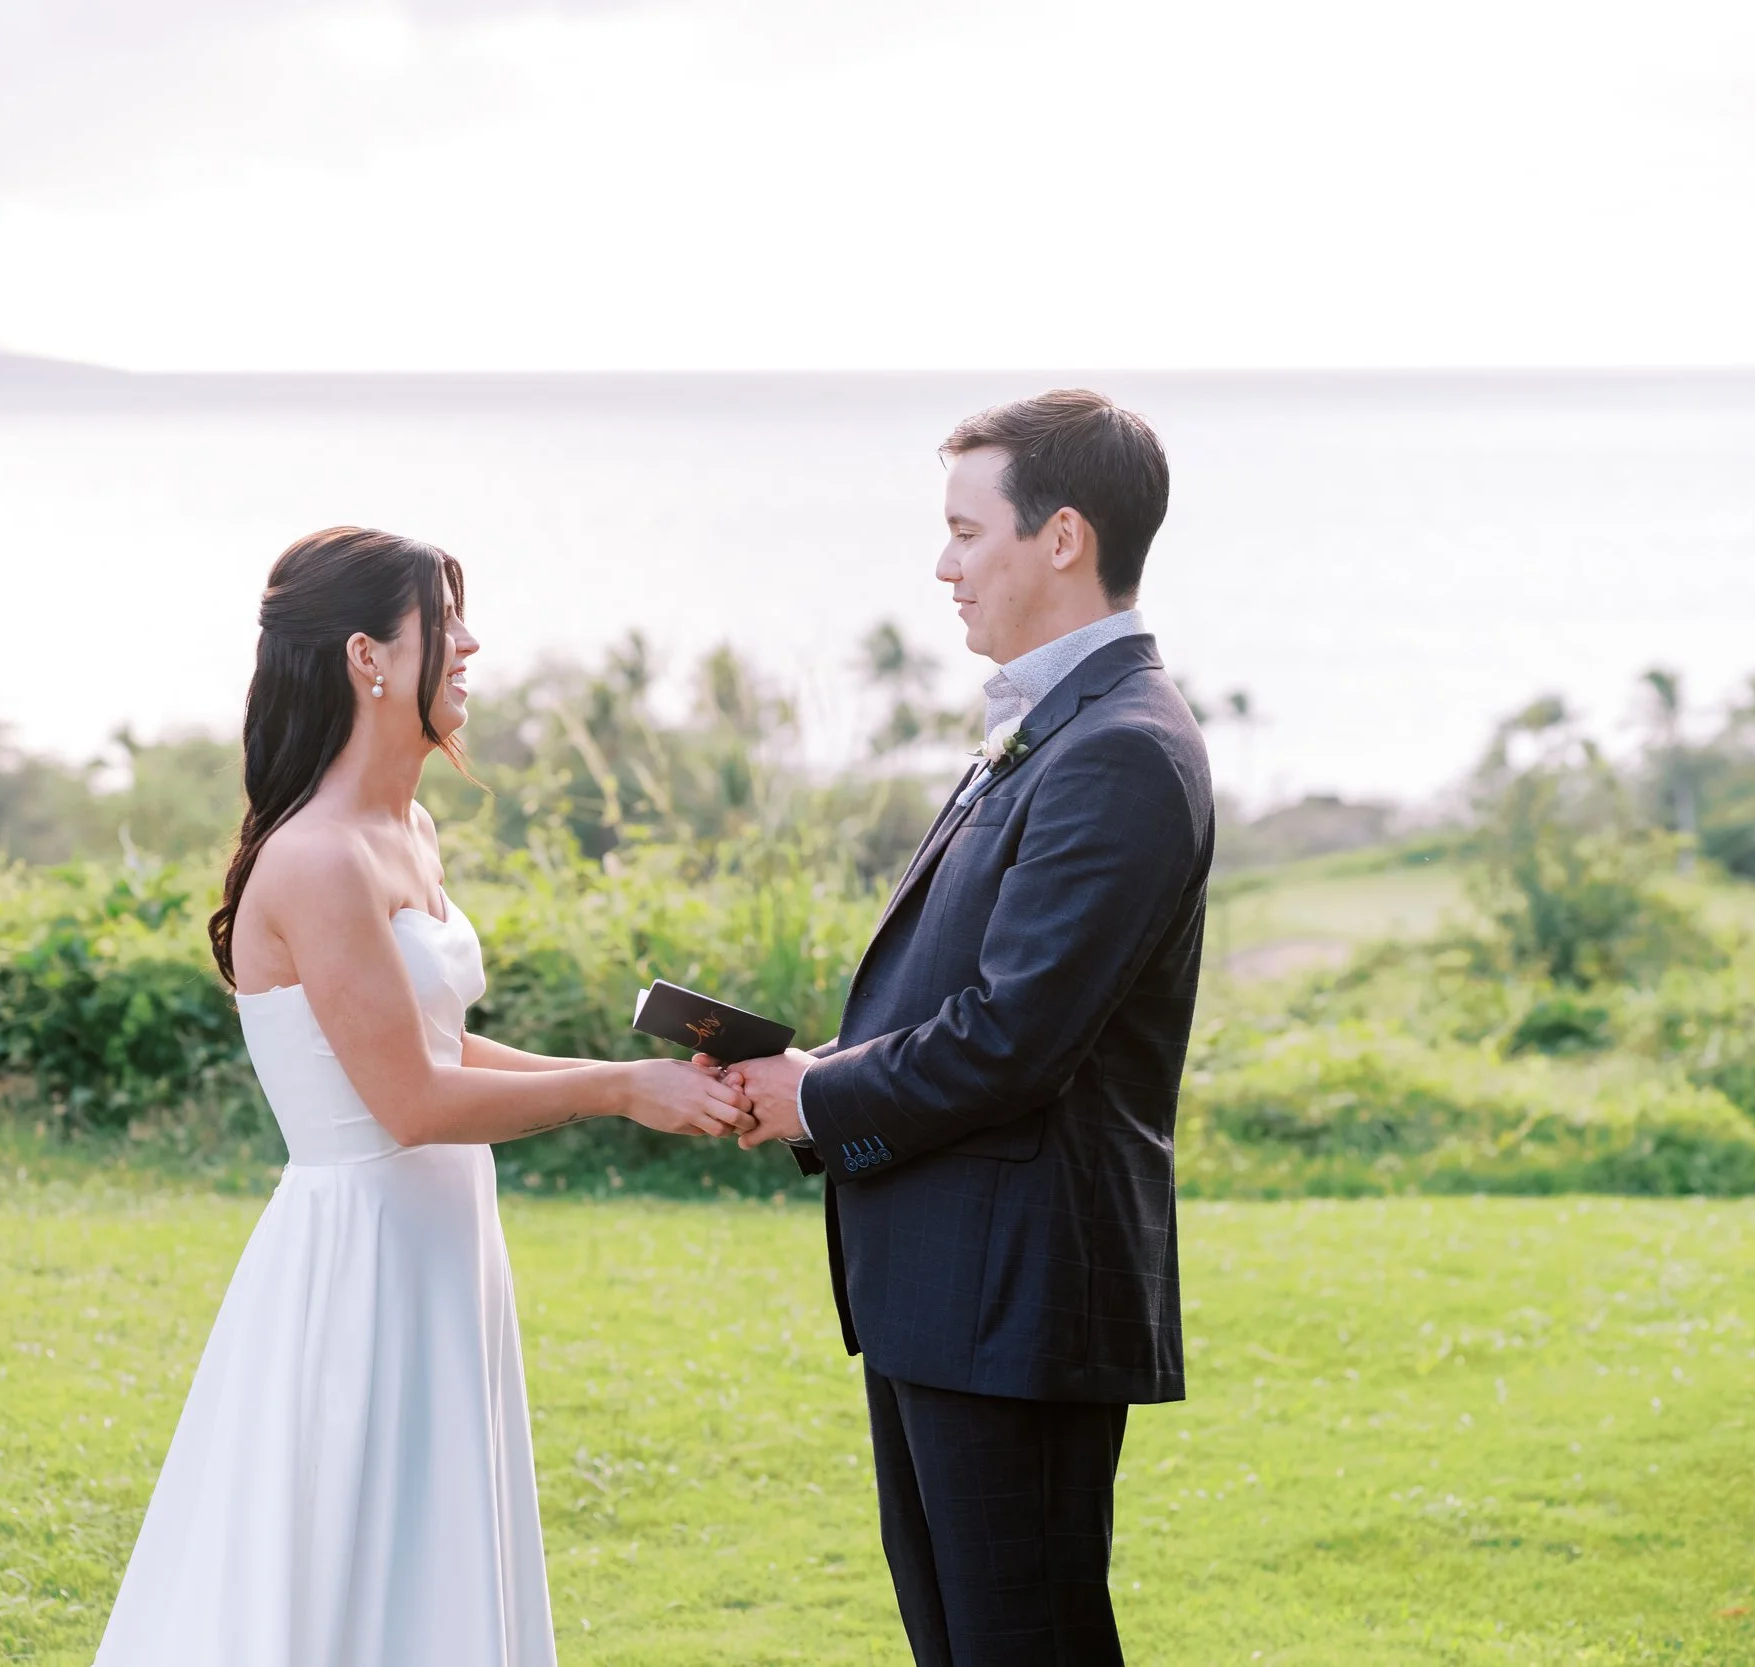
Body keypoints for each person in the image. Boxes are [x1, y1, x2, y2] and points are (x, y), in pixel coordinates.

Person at [92, 526, 752, 1667]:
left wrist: (646, 1078)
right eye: (444, 621)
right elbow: (407, 1100)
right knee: (350, 1555)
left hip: (444, 1236)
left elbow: (430, 1041)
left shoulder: (409, 829)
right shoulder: (315, 859)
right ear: (368, 657)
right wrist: (615, 1091)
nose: (471, 646)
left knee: (434, 1550)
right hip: (361, 1254)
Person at [718, 391, 1213, 1666]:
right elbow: (981, 1003)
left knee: (1022, 1640)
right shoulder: (1053, 722)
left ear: (1060, 537)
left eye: (963, 531)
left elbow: (1014, 1036)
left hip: (1017, 1294)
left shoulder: (1119, 748)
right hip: (948, 1287)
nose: (942, 566)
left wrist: (815, 1098)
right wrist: (823, 1069)